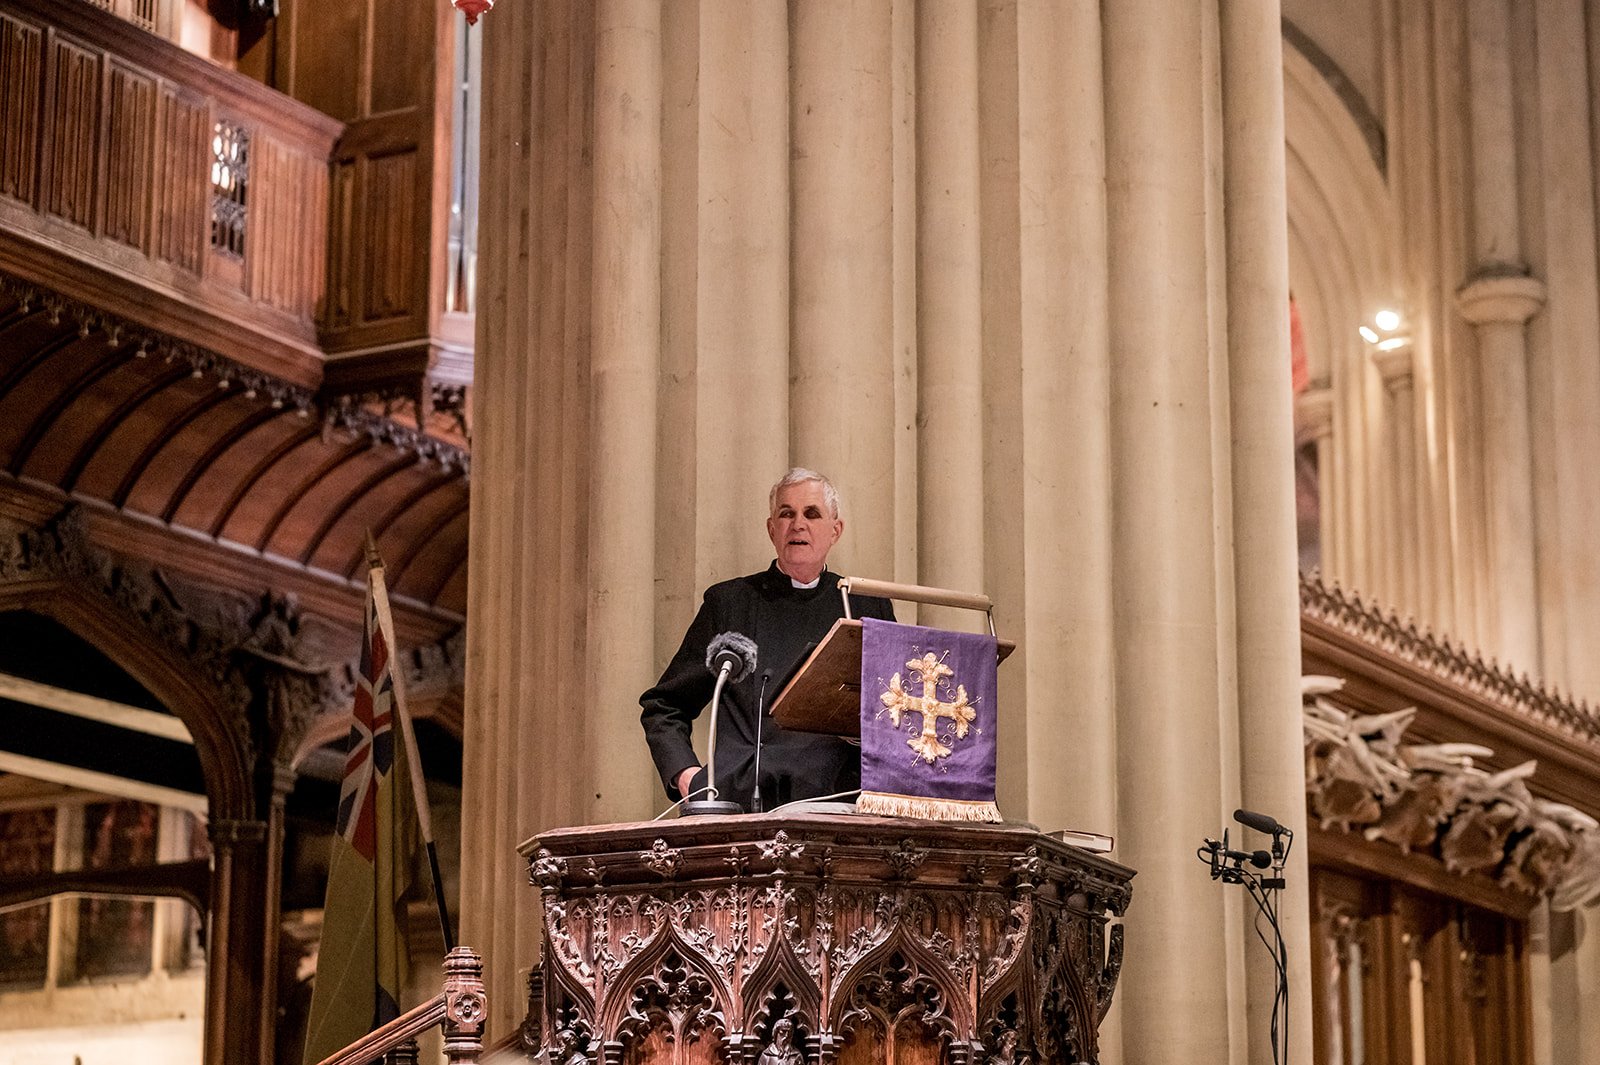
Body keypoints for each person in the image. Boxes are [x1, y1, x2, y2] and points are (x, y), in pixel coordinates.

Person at [640, 468, 896, 812]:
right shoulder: (730, 603)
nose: (798, 524)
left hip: (835, 801)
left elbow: (895, 710)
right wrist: (687, 777)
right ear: (771, 528)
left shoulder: (865, 605)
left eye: (812, 513)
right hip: (742, 801)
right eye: (786, 513)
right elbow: (665, 706)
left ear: (835, 530)